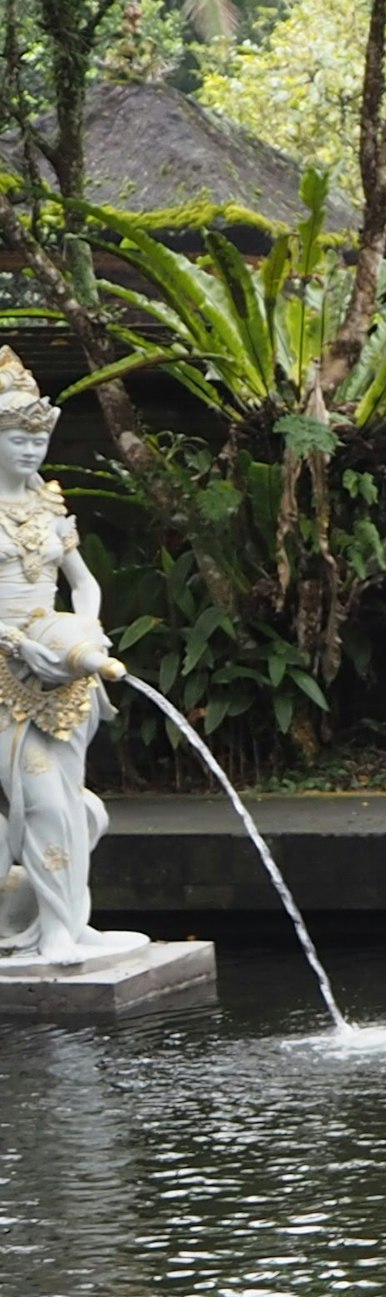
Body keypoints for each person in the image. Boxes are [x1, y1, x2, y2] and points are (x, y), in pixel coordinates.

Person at [0, 348, 137, 966]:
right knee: (46, 802)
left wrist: (85, 628)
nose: (30, 452)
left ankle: (69, 923)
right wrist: (14, 642)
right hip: (5, 675)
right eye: (15, 439)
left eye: (36, 441)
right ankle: (54, 932)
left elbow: (83, 582)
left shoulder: (50, 509)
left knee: (80, 805)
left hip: (64, 670)